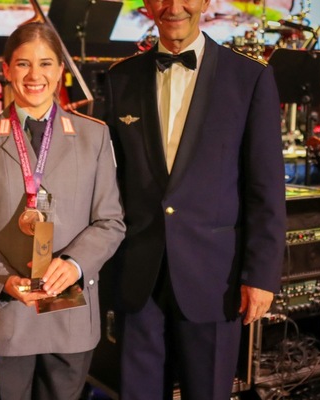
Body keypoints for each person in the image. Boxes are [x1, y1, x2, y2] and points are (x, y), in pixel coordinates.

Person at [104, 0, 286, 398]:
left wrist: (260, 274)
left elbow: (266, 187)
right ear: (148, 5)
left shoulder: (250, 77)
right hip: (139, 274)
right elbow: (110, 183)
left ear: (205, 2)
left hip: (215, 276)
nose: (174, 7)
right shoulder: (119, 79)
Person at [0, 22, 126, 400]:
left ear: (60, 70)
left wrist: (74, 263)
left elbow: (110, 222)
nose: (34, 75)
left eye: (45, 64)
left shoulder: (94, 135)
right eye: (23, 64)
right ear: (7, 69)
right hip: (7, 313)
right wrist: (1, 280)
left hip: (71, 313)